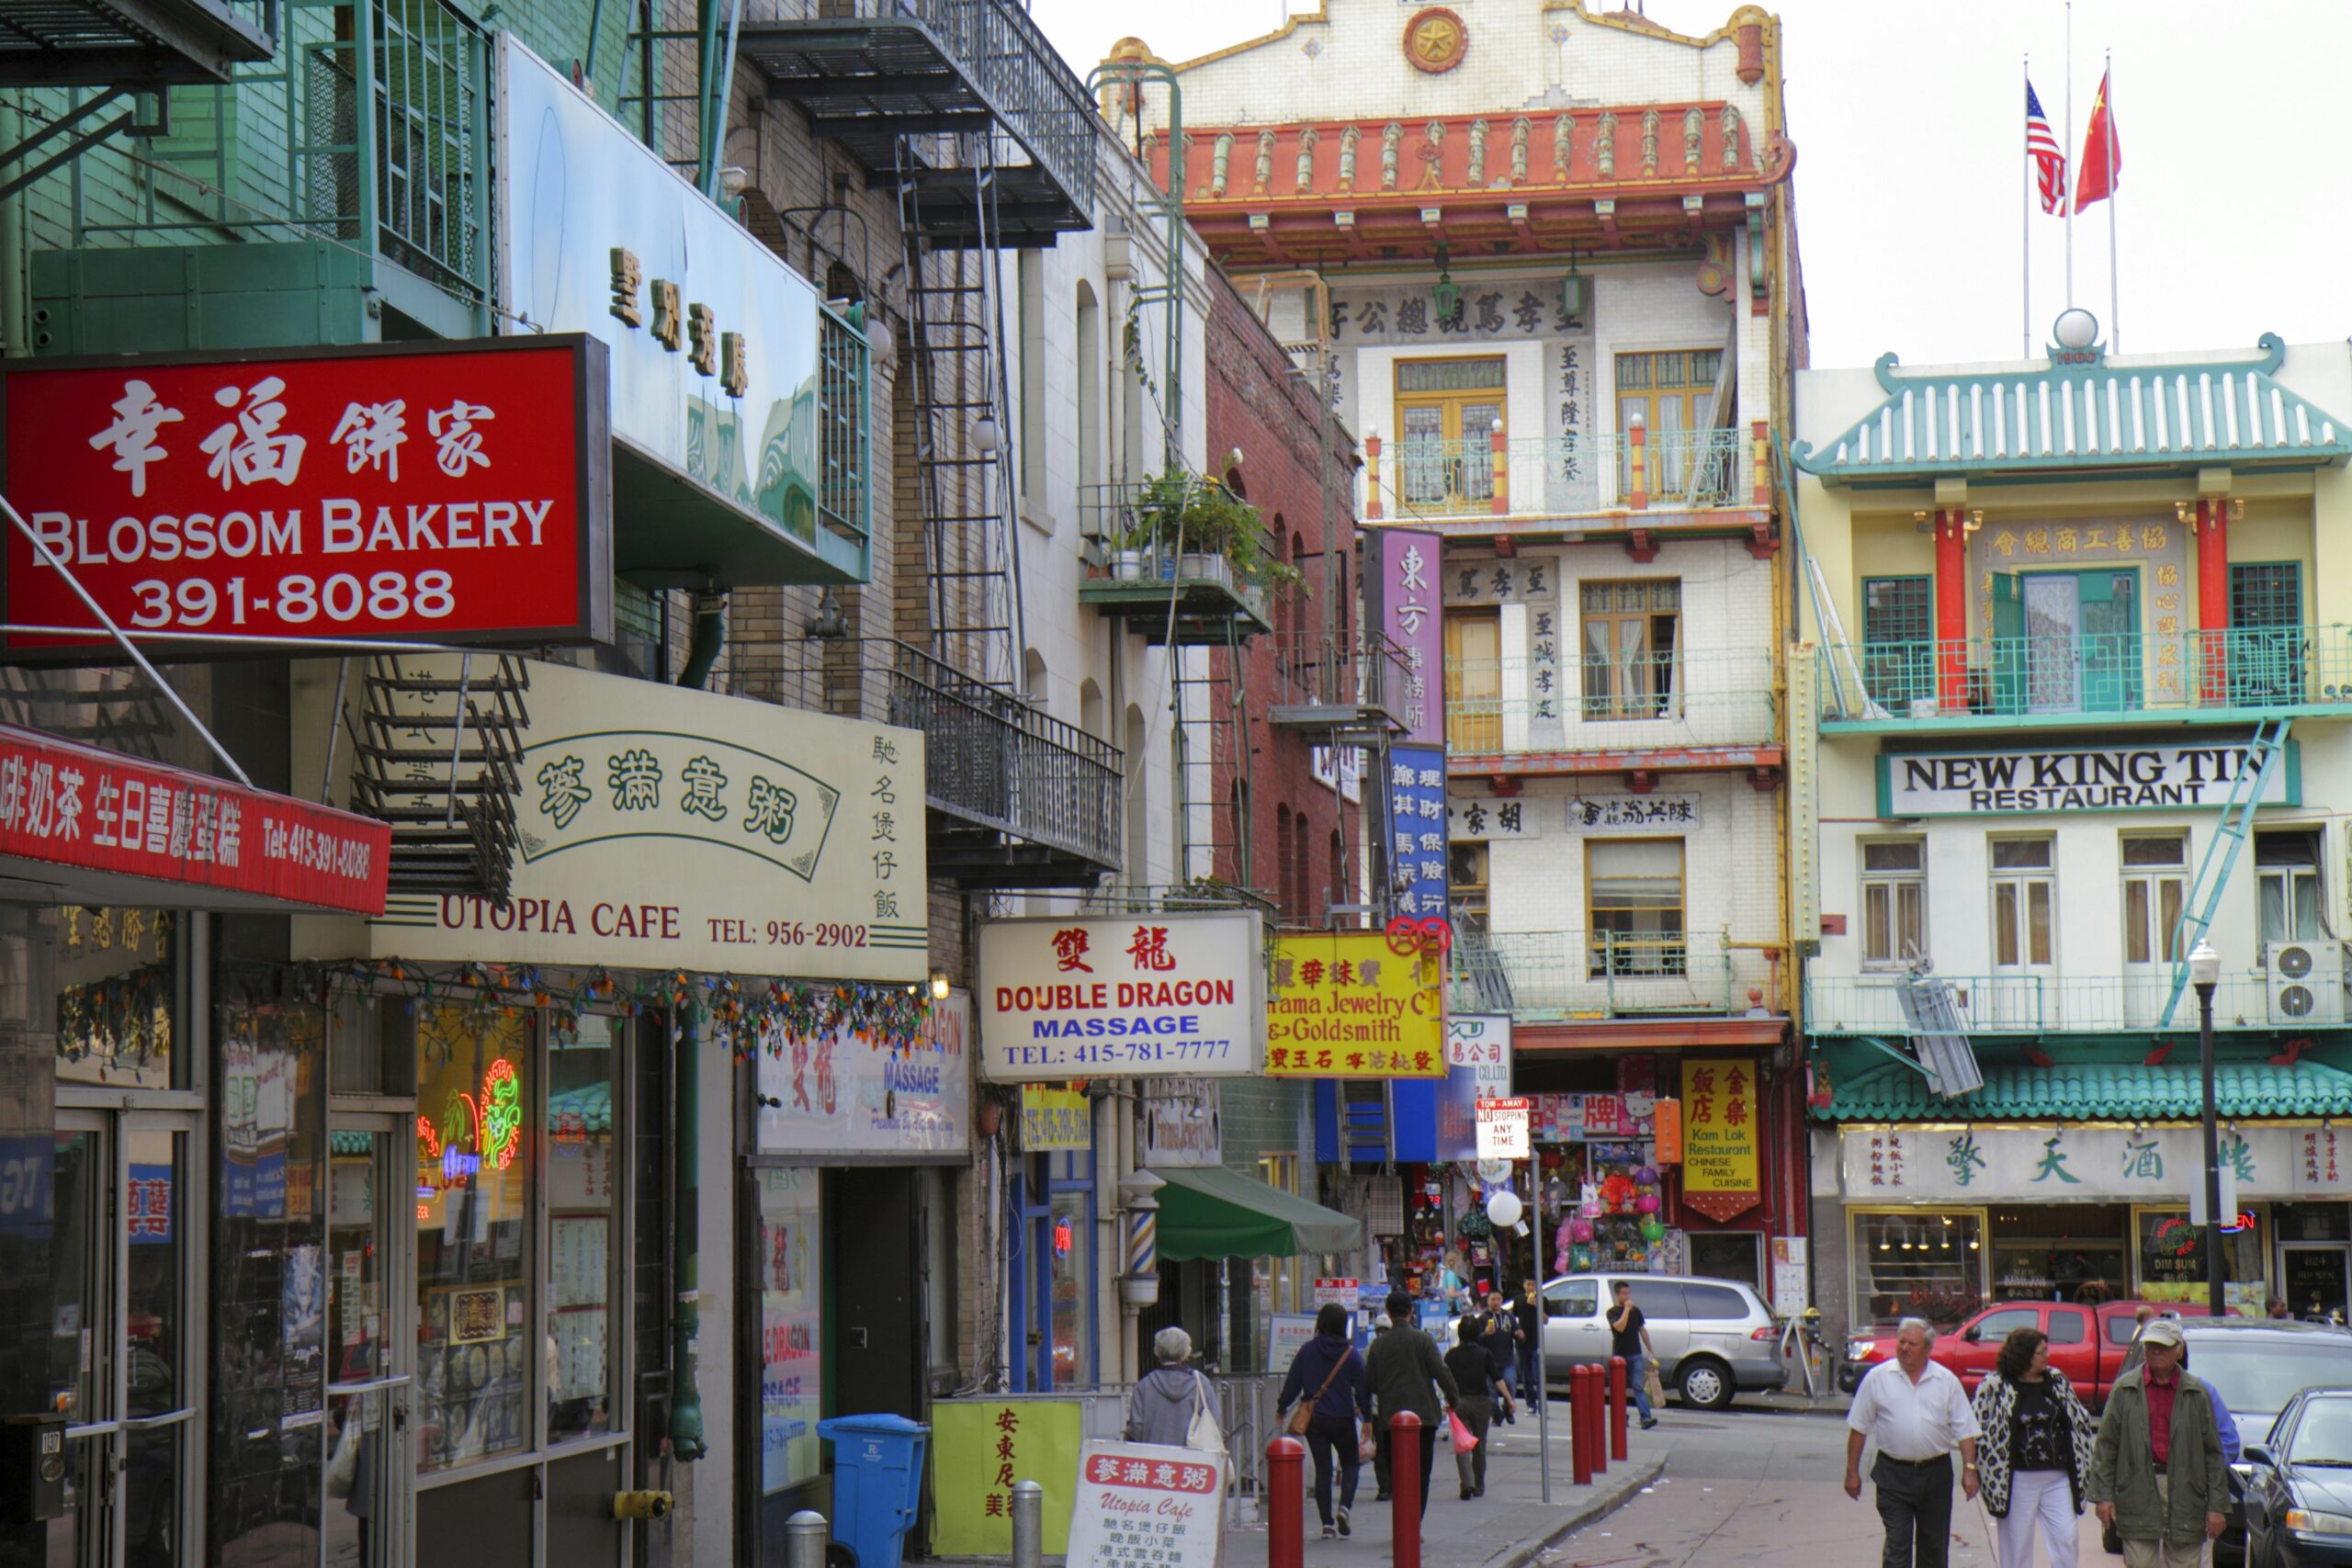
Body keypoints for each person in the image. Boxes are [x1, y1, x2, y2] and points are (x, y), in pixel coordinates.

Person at [2087, 1317, 2228, 1568]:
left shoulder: (2197, 1392)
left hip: (2187, 1489)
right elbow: (2106, 1445)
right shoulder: (2125, 1389)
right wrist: (2103, 1496)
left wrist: (2217, 1506)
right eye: (2151, 1345)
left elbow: (2213, 1453)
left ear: (2179, 1350)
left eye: (2163, 1346)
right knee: (2140, 1562)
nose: (2155, 1351)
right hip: (2137, 1487)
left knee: (2185, 1562)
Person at [1844, 1317, 1982, 1568]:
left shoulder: (1946, 1381)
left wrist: (1970, 1470)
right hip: (1893, 1475)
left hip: (1935, 1474)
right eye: (1902, 1342)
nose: (1905, 1348)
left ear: (1928, 1349)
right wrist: (1852, 1472)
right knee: (1897, 1545)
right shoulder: (1878, 1378)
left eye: (1913, 1344)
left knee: (1934, 1548)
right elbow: (1858, 1428)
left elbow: (1965, 1430)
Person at [1969, 1326, 2094, 1568]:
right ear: (2024, 1356)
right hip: (2017, 1479)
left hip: (2058, 1478)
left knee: (2067, 1538)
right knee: (2017, 1548)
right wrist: (1972, 1468)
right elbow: (1975, 1429)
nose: (2047, 1356)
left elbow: (2080, 1420)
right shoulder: (1995, 1385)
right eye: (2041, 1352)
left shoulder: (2057, 1380)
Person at [1276, 1303, 1372, 1540]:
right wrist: (1368, 1417)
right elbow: (1362, 1389)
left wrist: (1282, 1406)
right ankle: (1344, 1507)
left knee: (1323, 1470)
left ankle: (1327, 1525)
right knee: (1350, 1463)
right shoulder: (1351, 1355)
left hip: (1315, 1420)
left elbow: (1293, 1382)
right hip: (1342, 1418)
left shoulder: (1307, 1350)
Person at [1364, 1288, 1459, 1516]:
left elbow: (1370, 1382)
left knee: (1397, 1473)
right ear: (1411, 1312)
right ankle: (1415, 1521)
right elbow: (1441, 1372)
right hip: (1424, 1416)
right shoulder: (1423, 1340)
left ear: (1388, 1312)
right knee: (1421, 1473)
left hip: (1391, 1419)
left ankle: (1402, 1521)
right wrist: (1453, 1399)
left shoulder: (1378, 1345)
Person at [1444, 1312, 1510, 1499]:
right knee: (1479, 1445)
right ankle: (1479, 1484)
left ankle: (1467, 1483)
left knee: (1462, 1444)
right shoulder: (1485, 1354)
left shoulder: (1451, 1356)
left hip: (1459, 1402)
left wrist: (1447, 1399)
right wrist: (1509, 1399)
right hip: (1482, 1403)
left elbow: (1445, 1378)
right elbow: (1497, 1379)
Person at [1126, 1326, 1216, 1449]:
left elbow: (1136, 1427)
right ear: (1186, 1352)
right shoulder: (1201, 1383)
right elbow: (1214, 1417)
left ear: (1157, 1352)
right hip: (1193, 1460)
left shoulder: (1144, 1385)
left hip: (1154, 1458)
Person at [1608, 1280, 1659, 1430]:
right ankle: (1621, 1416)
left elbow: (1642, 1330)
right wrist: (1626, 1310)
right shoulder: (1612, 1312)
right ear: (1617, 1295)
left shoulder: (1636, 1311)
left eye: (1628, 1293)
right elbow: (1620, 1327)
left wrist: (1650, 1349)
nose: (1627, 1296)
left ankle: (1646, 1417)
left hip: (1635, 1354)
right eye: (1623, 1294)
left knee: (1638, 1386)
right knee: (1619, 1388)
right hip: (1619, 1355)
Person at [1480, 1292, 1519, 1422]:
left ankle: (1508, 1409)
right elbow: (1477, 1339)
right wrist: (1485, 1334)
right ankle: (1496, 1415)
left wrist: (1520, 1335)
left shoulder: (1508, 1316)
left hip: (1506, 1360)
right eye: (1493, 1299)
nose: (1496, 1302)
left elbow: (1517, 1334)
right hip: (1489, 1362)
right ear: (1488, 1301)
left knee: (1511, 1383)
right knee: (1491, 1392)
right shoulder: (1483, 1318)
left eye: (1498, 1299)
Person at [1514, 1280, 1545, 1411]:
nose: (1531, 1287)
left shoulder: (1542, 1299)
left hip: (1536, 1341)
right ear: (1524, 1286)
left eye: (1533, 1285)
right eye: (1528, 1284)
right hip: (1522, 1342)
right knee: (1526, 1376)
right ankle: (1530, 1404)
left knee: (1538, 1375)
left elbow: (1546, 1319)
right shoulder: (1518, 1300)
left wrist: (1537, 1306)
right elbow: (1514, 1317)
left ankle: (1542, 1405)